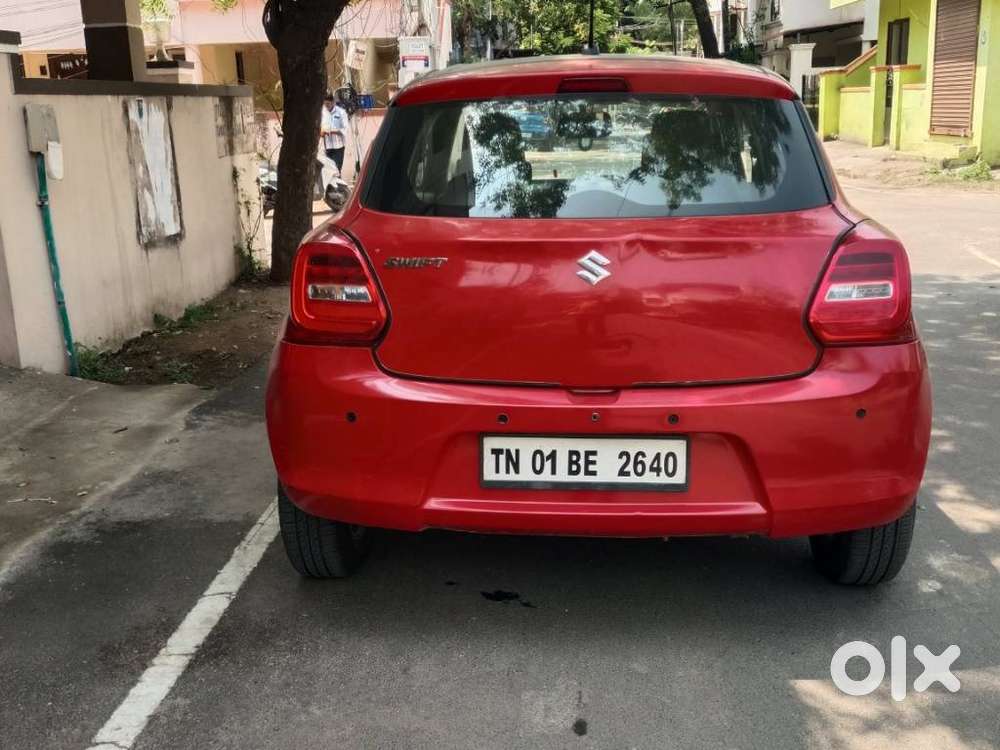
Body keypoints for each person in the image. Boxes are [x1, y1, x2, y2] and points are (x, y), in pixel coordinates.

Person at [320, 92, 348, 174]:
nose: (326, 106)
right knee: (329, 172)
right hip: (328, 147)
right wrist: (321, 132)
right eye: (325, 104)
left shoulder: (341, 112)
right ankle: (333, 187)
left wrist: (332, 131)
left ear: (333, 102)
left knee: (336, 170)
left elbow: (345, 130)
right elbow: (320, 128)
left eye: (328, 104)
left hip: (338, 147)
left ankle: (338, 187)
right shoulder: (322, 113)